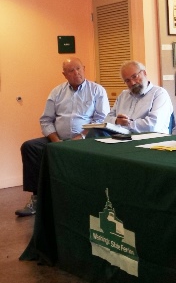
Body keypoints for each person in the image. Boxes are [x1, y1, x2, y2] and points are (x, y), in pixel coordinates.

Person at [16, 57, 109, 217]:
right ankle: (37, 198)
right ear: (64, 74)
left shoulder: (97, 90)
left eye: (78, 68)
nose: (76, 73)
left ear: (84, 68)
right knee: (30, 147)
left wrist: (80, 137)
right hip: (58, 139)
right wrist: (56, 141)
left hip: (86, 139)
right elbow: (46, 120)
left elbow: (100, 120)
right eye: (71, 70)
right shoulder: (56, 92)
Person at [104, 60, 173, 133]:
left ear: (144, 73)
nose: (132, 83)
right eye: (127, 80)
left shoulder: (159, 94)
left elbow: (153, 126)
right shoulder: (123, 95)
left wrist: (128, 124)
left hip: (151, 140)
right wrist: (116, 121)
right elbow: (107, 119)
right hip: (122, 139)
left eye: (134, 76)